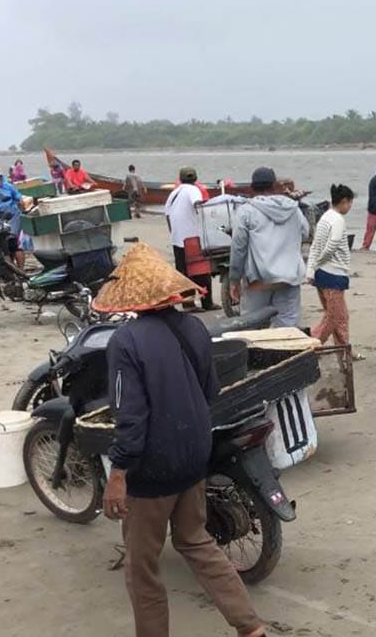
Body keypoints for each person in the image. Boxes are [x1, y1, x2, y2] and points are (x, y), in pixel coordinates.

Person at [93, 244, 267, 637]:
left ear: (131, 297)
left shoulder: (126, 341)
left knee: (143, 568)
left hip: (152, 470)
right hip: (193, 456)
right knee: (196, 541)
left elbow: (130, 417)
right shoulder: (194, 327)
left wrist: (118, 473)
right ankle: (250, 626)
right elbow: (209, 391)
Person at [228, 167, 309, 328]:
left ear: (252, 188)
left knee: (252, 327)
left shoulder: (246, 211)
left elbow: (238, 247)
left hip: (258, 279)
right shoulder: (293, 209)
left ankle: (257, 353)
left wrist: (234, 279)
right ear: (274, 186)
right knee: (287, 327)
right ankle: (285, 353)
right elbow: (305, 233)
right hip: (289, 277)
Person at [307, 184, 358, 354]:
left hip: (323, 274)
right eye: (350, 203)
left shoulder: (325, 217)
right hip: (333, 274)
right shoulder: (337, 220)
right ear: (344, 202)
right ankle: (311, 345)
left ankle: (343, 350)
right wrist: (319, 262)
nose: (350, 207)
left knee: (340, 316)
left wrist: (311, 269)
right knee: (334, 317)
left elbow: (314, 246)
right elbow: (332, 245)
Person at [164, 167, 215, 312]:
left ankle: (188, 303)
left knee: (183, 272)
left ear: (180, 178)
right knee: (201, 271)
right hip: (192, 237)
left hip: (177, 239)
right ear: (195, 179)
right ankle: (207, 303)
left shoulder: (174, 193)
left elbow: (167, 215)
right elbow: (198, 205)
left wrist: (173, 233)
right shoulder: (193, 190)